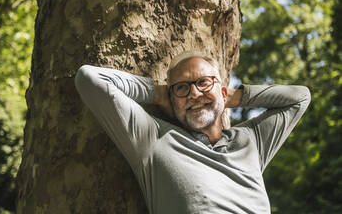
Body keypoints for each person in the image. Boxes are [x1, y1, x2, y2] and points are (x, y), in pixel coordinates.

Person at [74, 51, 311, 214]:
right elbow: (90, 79)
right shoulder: (154, 139)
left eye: (204, 82)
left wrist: (231, 97)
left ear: (222, 90)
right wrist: (158, 93)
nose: (194, 94)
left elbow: (299, 98)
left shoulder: (251, 142)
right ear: (171, 97)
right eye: (181, 88)